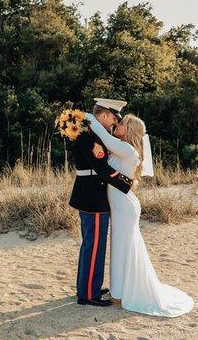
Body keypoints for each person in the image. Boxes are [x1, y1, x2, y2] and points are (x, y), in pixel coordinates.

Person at [84, 111, 195, 317]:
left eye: (123, 122)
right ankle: (118, 292)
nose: (118, 123)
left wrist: (88, 116)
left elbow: (105, 137)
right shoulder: (122, 149)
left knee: (124, 247)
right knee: (120, 247)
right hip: (119, 206)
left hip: (124, 208)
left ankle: (121, 294)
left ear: (130, 131)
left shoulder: (127, 149)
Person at [69, 98, 134, 307]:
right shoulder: (90, 136)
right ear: (104, 115)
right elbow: (102, 168)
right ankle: (88, 293)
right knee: (94, 246)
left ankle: (88, 286)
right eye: (113, 119)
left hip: (90, 195)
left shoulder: (92, 133)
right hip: (92, 197)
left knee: (92, 245)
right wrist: (127, 183)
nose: (113, 124)